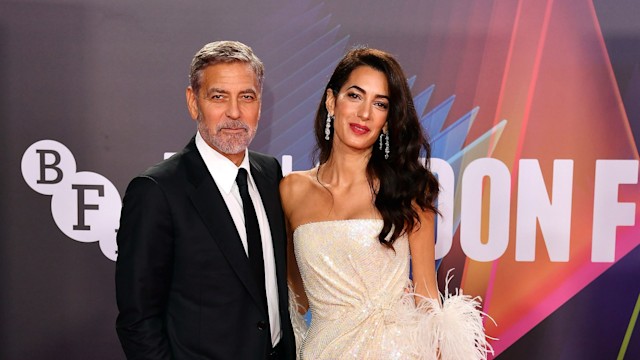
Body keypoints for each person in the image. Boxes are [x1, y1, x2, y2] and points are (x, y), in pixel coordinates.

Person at [281, 47, 493, 359]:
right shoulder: (291, 190)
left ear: (388, 118)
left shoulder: (409, 189)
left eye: (379, 103)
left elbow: (426, 297)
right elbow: (294, 299)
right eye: (355, 96)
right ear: (331, 101)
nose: (364, 113)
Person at [115, 41, 296, 359]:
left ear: (259, 103)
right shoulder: (156, 190)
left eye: (247, 96)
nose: (235, 112)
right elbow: (138, 319)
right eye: (218, 96)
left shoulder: (270, 173)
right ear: (193, 102)